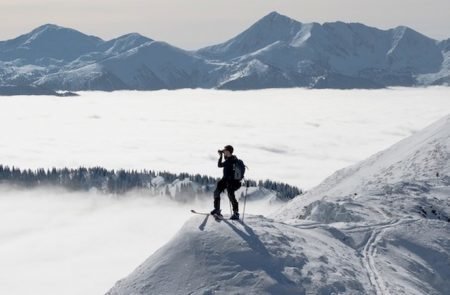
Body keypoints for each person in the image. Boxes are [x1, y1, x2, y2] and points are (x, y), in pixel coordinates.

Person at [210, 145, 241, 220]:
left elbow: (220, 165)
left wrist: (221, 155)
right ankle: (217, 210)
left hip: (232, 182)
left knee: (231, 196)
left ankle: (236, 213)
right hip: (224, 180)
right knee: (216, 192)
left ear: (229, 152)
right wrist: (221, 156)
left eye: (225, 151)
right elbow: (220, 165)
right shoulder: (228, 159)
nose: (224, 152)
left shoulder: (233, 160)